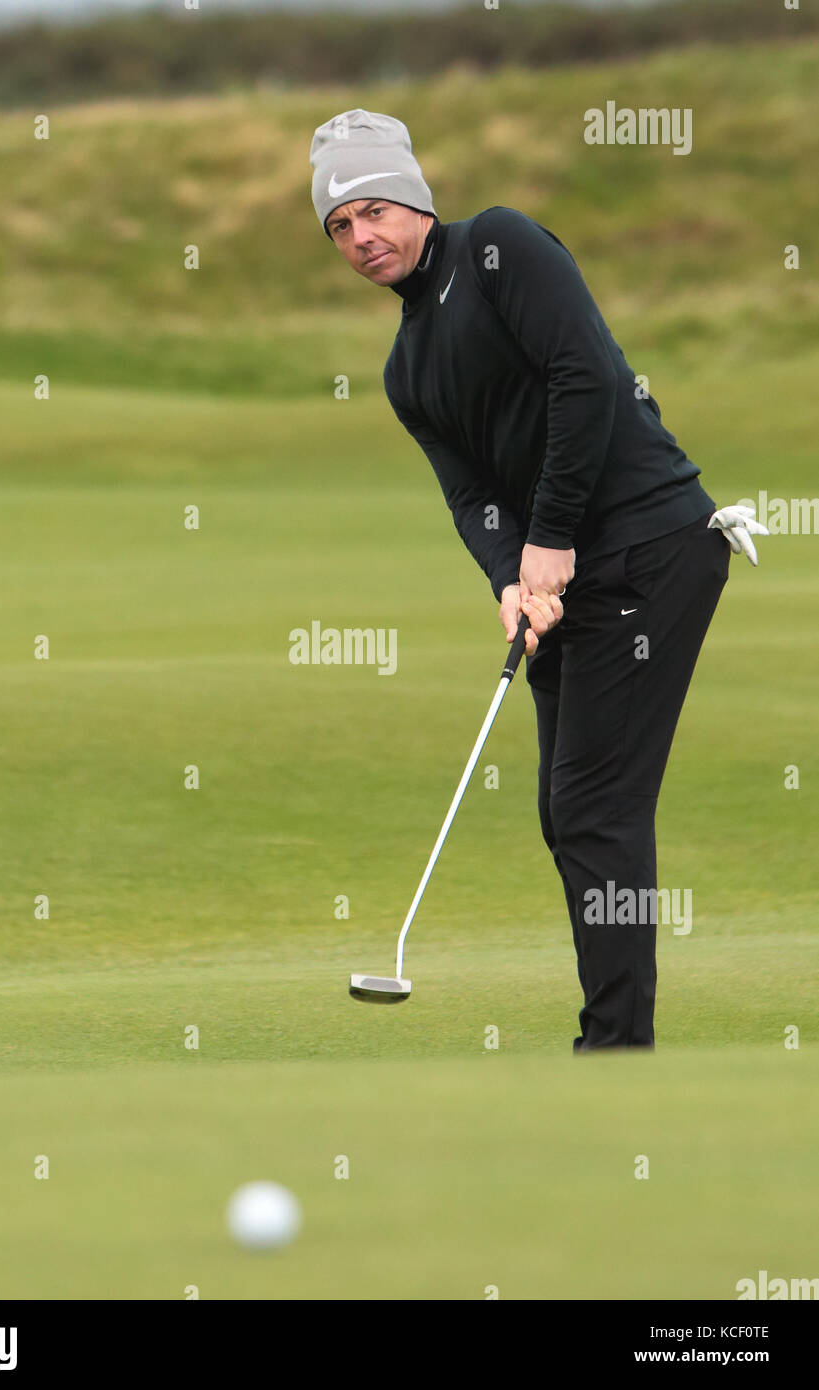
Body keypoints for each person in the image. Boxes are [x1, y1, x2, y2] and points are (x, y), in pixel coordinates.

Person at [310, 108, 766, 1050]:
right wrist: (507, 581)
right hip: (564, 576)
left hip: (653, 545)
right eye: (338, 227)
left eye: (372, 212)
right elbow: (470, 493)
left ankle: (614, 1050)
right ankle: (614, 1035)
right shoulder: (405, 369)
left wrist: (549, 539)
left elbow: (583, 377)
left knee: (595, 806)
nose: (360, 238)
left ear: (414, 201)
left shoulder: (499, 248)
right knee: (564, 810)